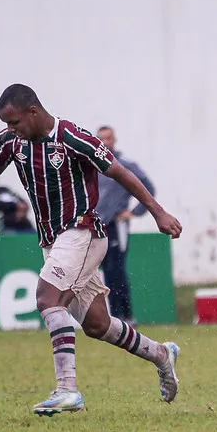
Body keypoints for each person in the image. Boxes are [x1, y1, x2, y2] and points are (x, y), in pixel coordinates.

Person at [0, 84, 183, 415]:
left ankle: (67, 390)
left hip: (84, 232)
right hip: (54, 241)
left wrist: (158, 212)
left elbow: (120, 172)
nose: (10, 129)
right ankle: (160, 353)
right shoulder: (12, 141)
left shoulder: (73, 138)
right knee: (97, 325)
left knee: (47, 298)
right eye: (7, 124)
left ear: (33, 112)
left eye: (14, 122)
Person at [95, 125, 155, 324]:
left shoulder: (124, 164)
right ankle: (114, 315)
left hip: (116, 224)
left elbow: (149, 187)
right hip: (98, 225)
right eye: (101, 138)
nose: (105, 142)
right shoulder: (93, 165)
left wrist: (134, 212)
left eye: (108, 138)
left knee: (116, 268)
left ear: (114, 139)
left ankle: (126, 315)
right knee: (105, 270)